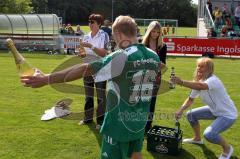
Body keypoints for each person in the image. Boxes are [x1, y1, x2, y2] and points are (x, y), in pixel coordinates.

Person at [21, 15, 161, 159]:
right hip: (139, 121)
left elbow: (85, 69)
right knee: (136, 155)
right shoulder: (154, 56)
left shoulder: (122, 56)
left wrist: (46, 78)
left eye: (114, 36)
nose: (115, 40)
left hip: (118, 124)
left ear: (118, 34)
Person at [172, 57, 238, 159]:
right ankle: (197, 138)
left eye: (202, 67)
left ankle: (227, 148)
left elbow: (201, 86)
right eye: (198, 66)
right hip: (214, 110)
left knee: (209, 134)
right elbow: (190, 99)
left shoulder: (213, 80)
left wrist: (181, 82)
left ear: (210, 69)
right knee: (190, 114)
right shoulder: (199, 81)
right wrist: (181, 110)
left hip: (227, 114)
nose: (199, 68)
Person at [78, 13, 109, 130]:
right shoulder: (86, 36)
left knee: (101, 97)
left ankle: (100, 122)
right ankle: (88, 119)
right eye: (89, 22)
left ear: (99, 24)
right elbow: (83, 55)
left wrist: (90, 46)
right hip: (87, 69)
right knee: (88, 96)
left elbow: (104, 53)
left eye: (92, 22)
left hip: (100, 69)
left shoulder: (104, 35)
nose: (90, 24)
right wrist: (81, 54)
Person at [142, 21, 167, 133]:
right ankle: (139, 125)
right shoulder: (141, 44)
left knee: (151, 103)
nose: (155, 34)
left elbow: (163, 65)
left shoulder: (163, 46)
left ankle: (148, 127)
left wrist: (156, 64)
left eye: (158, 32)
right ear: (149, 31)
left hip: (155, 77)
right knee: (140, 101)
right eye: (153, 31)